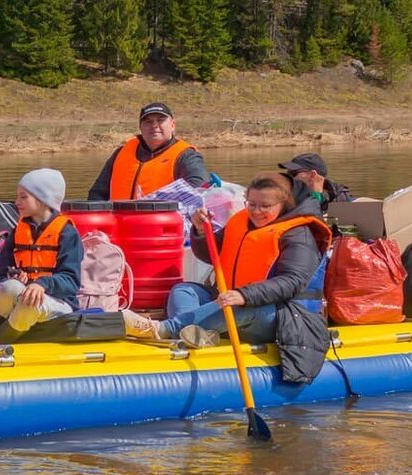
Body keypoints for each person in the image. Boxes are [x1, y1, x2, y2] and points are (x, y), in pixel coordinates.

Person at [124, 173, 330, 346]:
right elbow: (210, 254)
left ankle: (165, 329)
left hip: (282, 315)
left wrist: (244, 295)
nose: (256, 212)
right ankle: (197, 334)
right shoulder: (242, 222)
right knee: (185, 290)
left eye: (265, 206)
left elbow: (292, 282)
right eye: (252, 204)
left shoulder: (299, 234)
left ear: (284, 204)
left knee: (239, 306)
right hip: (232, 301)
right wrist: (200, 232)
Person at [0, 169, 83, 341]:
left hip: (59, 303)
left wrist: (41, 284)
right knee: (7, 288)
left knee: (29, 303)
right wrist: (13, 278)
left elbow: (72, 281)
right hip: (24, 298)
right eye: (17, 197)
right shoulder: (17, 232)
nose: (17, 202)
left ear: (42, 199)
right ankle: (4, 330)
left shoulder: (67, 234)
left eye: (23, 197)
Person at [87, 102, 211, 201]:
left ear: (173, 125)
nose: (154, 125)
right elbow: (97, 193)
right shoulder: (121, 152)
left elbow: (200, 190)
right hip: (118, 226)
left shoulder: (186, 155)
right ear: (140, 127)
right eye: (148, 122)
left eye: (161, 120)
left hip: (163, 227)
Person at [279, 152, 354, 210]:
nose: (289, 177)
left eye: (293, 173)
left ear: (312, 175)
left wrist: (317, 196)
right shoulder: (285, 197)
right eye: (288, 173)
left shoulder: (341, 198)